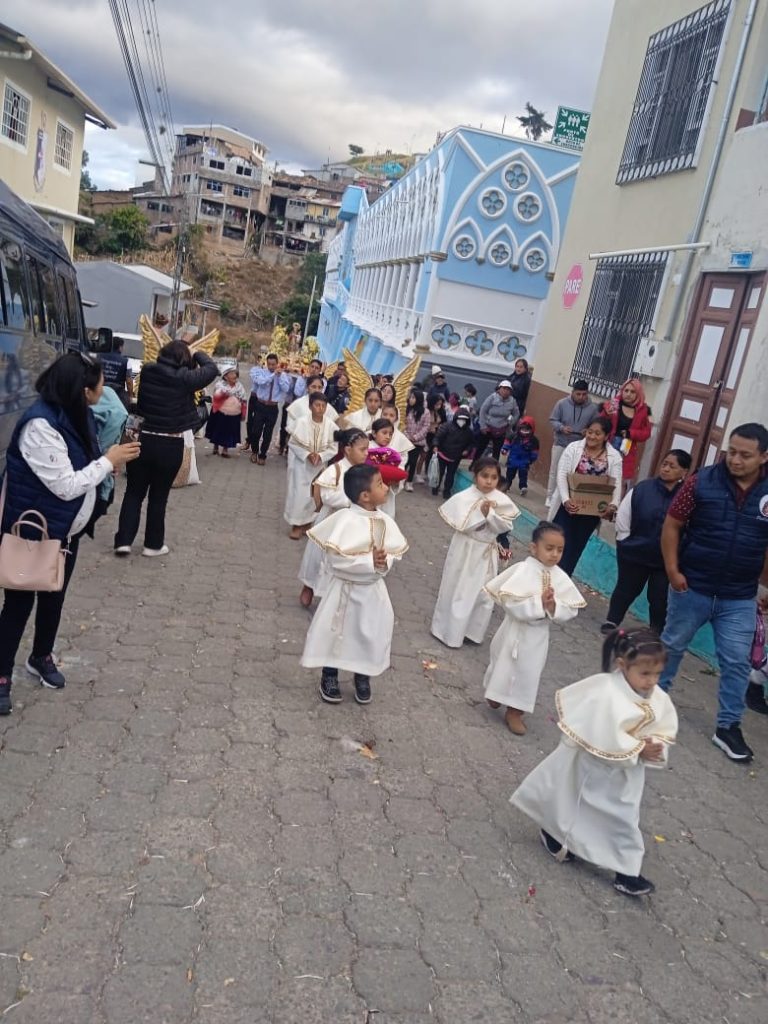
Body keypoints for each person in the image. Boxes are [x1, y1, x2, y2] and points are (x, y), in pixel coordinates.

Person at [0, 352, 140, 711]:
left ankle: (41, 656)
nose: (103, 389)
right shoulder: (40, 426)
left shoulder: (78, 417)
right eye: (98, 385)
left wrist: (106, 465)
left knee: (54, 595)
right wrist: (108, 461)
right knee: (19, 603)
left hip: (65, 530)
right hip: (34, 529)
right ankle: (1, 675)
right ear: (82, 391)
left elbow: (86, 462)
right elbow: (64, 485)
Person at [511, 628, 678, 898]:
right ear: (622, 665)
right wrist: (636, 748)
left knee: (624, 817)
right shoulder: (606, 691)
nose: (651, 681)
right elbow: (603, 730)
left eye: (657, 674)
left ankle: (627, 872)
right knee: (575, 803)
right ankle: (555, 833)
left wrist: (655, 747)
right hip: (593, 767)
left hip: (626, 777)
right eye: (645, 674)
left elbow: (664, 726)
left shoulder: (658, 698)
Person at [659, 423, 768, 763]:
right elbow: (672, 524)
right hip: (693, 585)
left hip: (739, 596)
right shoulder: (701, 482)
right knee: (672, 645)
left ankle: (728, 727)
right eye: (731, 451)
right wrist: (673, 570)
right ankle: (650, 705)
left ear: (763, 456)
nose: (735, 459)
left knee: (736, 662)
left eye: (745, 455)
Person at [301, 464, 408, 704]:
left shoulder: (385, 521)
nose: (385, 487)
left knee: (369, 633)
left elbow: (393, 554)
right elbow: (336, 560)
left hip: (372, 592)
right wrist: (368, 562)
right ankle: (329, 675)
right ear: (365, 495)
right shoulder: (344, 520)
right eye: (380, 484)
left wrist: (382, 563)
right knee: (336, 632)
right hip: (344, 591)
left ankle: (363, 675)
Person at [114, 340, 217, 557]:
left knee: (133, 492)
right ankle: (153, 545)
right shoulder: (185, 379)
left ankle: (123, 541)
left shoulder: (149, 370)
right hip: (170, 443)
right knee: (159, 497)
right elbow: (211, 369)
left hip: (142, 439)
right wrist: (196, 353)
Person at [483, 521, 585, 734]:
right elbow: (510, 602)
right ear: (533, 547)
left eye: (560, 550)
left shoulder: (560, 577)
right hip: (514, 629)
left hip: (537, 636)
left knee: (528, 672)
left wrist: (553, 606)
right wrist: (538, 603)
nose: (555, 554)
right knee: (502, 662)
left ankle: (515, 711)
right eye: (549, 548)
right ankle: (495, 693)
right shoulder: (523, 570)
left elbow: (571, 609)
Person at [431, 457, 520, 648]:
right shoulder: (464, 497)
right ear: (475, 476)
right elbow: (464, 525)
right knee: (460, 588)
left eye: (494, 477)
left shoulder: (501, 500)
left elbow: (504, 526)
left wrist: (491, 515)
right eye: (484, 476)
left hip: (487, 552)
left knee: (483, 593)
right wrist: (481, 515)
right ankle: (449, 631)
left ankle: (472, 632)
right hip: (466, 549)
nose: (489, 481)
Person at [602, 449, 692, 636]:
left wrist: (680, 555)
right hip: (635, 552)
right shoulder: (643, 489)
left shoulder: (687, 498)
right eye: (664, 464)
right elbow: (624, 517)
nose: (666, 469)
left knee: (659, 597)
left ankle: (656, 631)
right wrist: (625, 542)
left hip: (666, 560)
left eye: (672, 466)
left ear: (684, 472)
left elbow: (690, 529)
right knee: (626, 588)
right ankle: (612, 620)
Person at [298, 427, 369, 608]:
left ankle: (331, 595)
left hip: (351, 525)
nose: (366, 453)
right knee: (318, 556)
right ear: (347, 450)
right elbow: (327, 496)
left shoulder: (365, 473)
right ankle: (309, 585)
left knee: (339, 560)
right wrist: (353, 499)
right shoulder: (334, 470)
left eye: (367, 449)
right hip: (330, 520)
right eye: (362, 449)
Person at [552, 417, 622, 576]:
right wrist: (566, 500)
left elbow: (616, 483)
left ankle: (562, 583)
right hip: (568, 508)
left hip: (590, 513)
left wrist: (613, 505)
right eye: (590, 432)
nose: (592, 436)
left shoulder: (614, 457)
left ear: (606, 436)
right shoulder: (573, 448)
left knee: (574, 550)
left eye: (598, 433)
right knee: (556, 542)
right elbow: (562, 474)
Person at [284, 393, 337, 540]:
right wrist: (307, 454)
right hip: (302, 466)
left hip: (319, 466)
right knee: (300, 495)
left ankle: (308, 523)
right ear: (310, 406)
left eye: (323, 406)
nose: (320, 409)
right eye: (317, 405)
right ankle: (296, 525)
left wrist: (321, 456)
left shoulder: (330, 425)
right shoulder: (301, 423)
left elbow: (334, 447)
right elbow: (293, 443)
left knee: (314, 495)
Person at [545, 381, 598, 507]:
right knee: (555, 470)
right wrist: (561, 427)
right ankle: (550, 496)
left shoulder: (593, 408)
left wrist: (588, 431)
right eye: (578, 394)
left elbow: (596, 424)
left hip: (579, 446)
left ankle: (565, 498)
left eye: (584, 394)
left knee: (572, 473)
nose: (581, 397)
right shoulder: (562, 403)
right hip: (561, 442)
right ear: (572, 392)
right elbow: (553, 420)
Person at [601, 378, 652, 486]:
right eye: (626, 390)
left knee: (617, 481)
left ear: (638, 393)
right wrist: (606, 413)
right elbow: (599, 424)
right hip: (608, 444)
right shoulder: (613, 404)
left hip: (626, 449)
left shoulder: (642, 411)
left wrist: (631, 433)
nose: (628, 394)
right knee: (601, 475)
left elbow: (646, 433)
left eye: (632, 392)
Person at [247, 353, 292, 464]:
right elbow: (261, 382)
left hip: (273, 407)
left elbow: (286, 388)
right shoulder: (262, 373)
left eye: (274, 364)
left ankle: (263, 455)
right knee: (256, 431)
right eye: (269, 364)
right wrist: (272, 376)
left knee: (268, 433)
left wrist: (280, 376)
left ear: (277, 364)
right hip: (260, 405)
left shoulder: (283, 375)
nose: (271, 367)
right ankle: (254, 451)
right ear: (267, 364)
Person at [430, 407, 474, 498]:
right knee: (439, 472)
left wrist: (467, 450)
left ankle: (447, 491)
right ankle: (435, 488)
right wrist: (435, 446)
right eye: (460, 419)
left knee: (451, 475)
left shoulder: (468, 432)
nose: (462, 421)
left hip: (456, 457)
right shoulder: (446, 426)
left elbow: (471, 443)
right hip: (443, 454)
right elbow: (438, 437)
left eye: (464, 419)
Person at [206, 367, 247, 457]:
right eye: (231, 374)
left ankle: (225, 449)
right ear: (225, 376)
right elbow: (216, 397)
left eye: (235, 373)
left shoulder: (239, 387)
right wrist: (224, 394)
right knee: (218, 429)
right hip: (220, 413)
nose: (235, 375)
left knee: (229, 432)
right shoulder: (220, 385)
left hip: (234, 414)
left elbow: (244, 400)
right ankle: (215, 447)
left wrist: (243, 413)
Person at [478, 380, 520, 461]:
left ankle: (494, 468)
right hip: (488, 427)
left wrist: (510, 424)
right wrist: (483, 426)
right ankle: (474, 464)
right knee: (481, 447)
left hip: (501, 430)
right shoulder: (492, 397)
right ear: (499, 389)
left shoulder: (512, 401)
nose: (505, 391)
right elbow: (483, 410)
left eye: (508, 389)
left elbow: (516, 414)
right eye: (504, 388)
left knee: (496, 451)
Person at [503, 415, 539, 496]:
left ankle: (523, 487)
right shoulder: (514, 436)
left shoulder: (533, 440)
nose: (524, 431)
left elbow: (535, 451)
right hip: (513, 459)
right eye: (523, 429)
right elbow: (507, 441)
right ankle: (506, 485)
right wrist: (505, 449)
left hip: (524, 461)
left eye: (527, 430)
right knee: (509, 473)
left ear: (531, 430)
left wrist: (532, 459)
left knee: (523, 475)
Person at [403, 389, 430, 492]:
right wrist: (406, 435)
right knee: (405, 460)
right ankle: (400, 479)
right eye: (410, 397)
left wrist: (415, 437)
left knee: (413, 461)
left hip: (417, 442)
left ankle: (409, 482)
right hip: (405, 440)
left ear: (418, 399)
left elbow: (426, 427)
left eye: (413, 397)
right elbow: (403, 424)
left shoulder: (425, 412)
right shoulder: (407, 409)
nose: (411, 399)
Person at [100, 337, 133, 409]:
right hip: (117, 393)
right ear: (120, 347)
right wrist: (130, 396)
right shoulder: (126, 361)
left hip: (100, 390)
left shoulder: (99, 356)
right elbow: (129, 381)